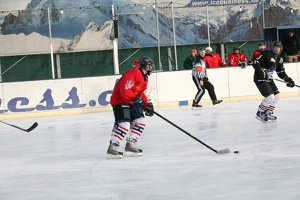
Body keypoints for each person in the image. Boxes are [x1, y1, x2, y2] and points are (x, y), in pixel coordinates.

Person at [107, 56, 155, 159]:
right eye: (148, 65)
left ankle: (130, 144)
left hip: (130, 100)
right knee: (125, 124)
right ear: (143, 65)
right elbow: (125, 91)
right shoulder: (134, 73)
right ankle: (113, 147)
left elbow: (141, 93)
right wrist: (136, 100)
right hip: (120, 100)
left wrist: (147, 105)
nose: (151, 67)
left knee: (141, 120)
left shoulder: (145, 78)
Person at [252, 41, 295, 123]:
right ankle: (260, 112)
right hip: (260, 78)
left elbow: (280, 72)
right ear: (272, 48)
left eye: (278, 47)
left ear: (281, 49)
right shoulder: (266, 54)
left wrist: (288, 80)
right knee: (270, 97)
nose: (276, 48)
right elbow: (255, 62)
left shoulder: (280, 59)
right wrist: (260, 71)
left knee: (277, 96)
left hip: (269, 79)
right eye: (275, 47)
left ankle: (268, 112)